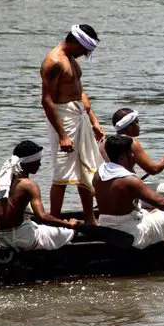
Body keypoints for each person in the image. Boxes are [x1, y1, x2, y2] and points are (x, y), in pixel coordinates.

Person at [40, 24, 105, 222]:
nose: (85, 54)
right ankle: (54, 220)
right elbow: (47, 101)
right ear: (75, 42)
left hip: (79, 115)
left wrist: (94, 120)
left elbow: (80, 91)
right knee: (62, 172)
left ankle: (89, 218)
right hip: (63, 119)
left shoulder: (70, 59)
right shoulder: (54, 62)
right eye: (84, 49)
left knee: (86, 169)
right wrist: (63, 135)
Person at [94, 135, 164, 249]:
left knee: (149, 211)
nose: (134, 156)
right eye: (131, 153)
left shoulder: (98, 174)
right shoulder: (130, 181)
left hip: (105, 225)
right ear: (122, 158)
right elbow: (161, 203)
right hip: (131, 234)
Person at [0, 141, 78, 252]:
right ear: (28, 163)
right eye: (37, 162)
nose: (40, 165)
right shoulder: (29, 185)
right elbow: (42, 217)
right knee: (72, 232)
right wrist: (68, 224)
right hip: (23, 239)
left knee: (38, 226)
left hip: (1, 239)